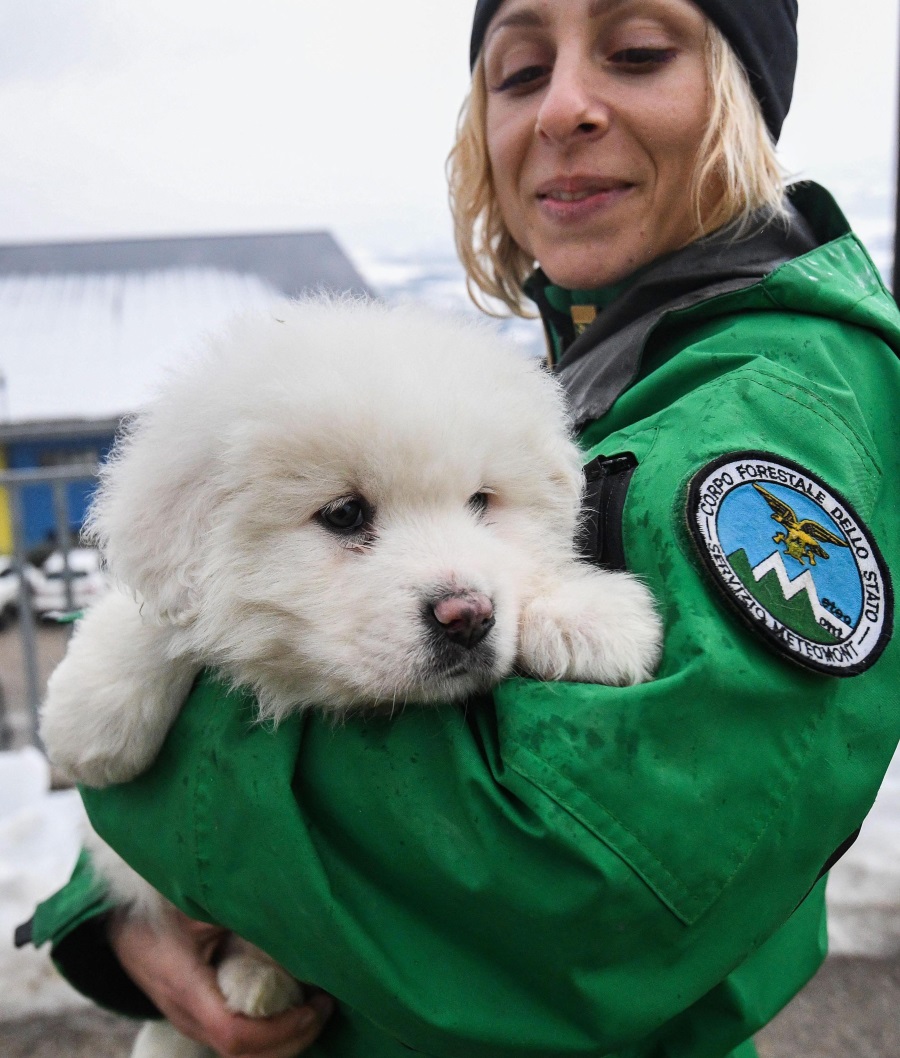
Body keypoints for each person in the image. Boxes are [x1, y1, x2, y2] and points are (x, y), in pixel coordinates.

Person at [21, 1, 900, 1056]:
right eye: (520, 71)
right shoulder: (609, 358)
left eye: (636, 53)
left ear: (742, 104)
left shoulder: (765, 419)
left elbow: (576, 889)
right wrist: (123, 914)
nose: (567, 105)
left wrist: (157, 794)